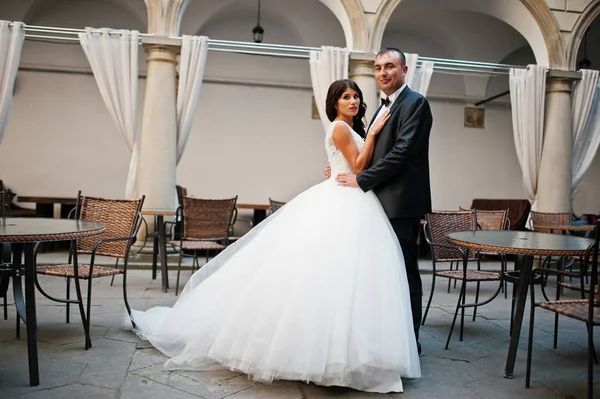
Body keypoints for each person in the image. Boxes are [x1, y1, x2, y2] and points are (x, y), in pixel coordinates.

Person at [128, 79, 420, 393]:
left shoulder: (351, 129)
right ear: (334, 103)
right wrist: (373, 134)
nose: (352, 101)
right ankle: (321, 353)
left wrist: (354, 151)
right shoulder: (339, 127)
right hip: (345, 199)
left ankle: (345, 351)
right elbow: (360, 164)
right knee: (328, 272)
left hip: (353, 197)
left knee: (347, 276)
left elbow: (355, 164)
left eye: (356, 96)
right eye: (345, 97)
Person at [333, 48, 433, 354]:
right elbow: (372, 152)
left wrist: (361, 179)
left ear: (404, 70)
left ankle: (409, 342)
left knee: (404, 273)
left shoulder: (415, 103)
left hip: (401, 204)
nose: (382, 72)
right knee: (382, 275)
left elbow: (402, 152)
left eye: (389, 66)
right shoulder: (382, 107)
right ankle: (387, 338)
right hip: (378, 204)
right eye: (377, 68)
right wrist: (343, 167)